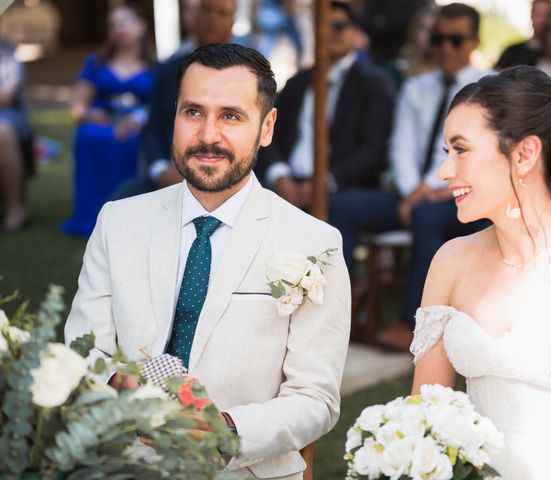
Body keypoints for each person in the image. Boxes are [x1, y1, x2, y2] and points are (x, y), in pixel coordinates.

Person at [64, 43, 351, 479]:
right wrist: (122, 393)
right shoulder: (117, 222)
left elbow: (316, 398)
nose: (208, 135)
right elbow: (83, 352)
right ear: (173, 116)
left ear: (267, 126)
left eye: (231, 116)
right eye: (192, 112)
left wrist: (228, 431)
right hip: (122, 463)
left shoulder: (315, 244)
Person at [411, 65, 551, 479]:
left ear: (524, 154)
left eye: (461, 150)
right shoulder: (451, 261)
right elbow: (427, 410)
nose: (445, 172)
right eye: (447, 152)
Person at [372, 3, 489, 351]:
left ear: (474, 41)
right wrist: (412, 190)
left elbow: (474, 150)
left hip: (466, 195)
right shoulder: (417, 86)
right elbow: (401, 145)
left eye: (456, 39)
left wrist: (426, 190)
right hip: (414, 194)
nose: (445, 48)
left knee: (425, 217)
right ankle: (344, 315)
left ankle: (412, 323)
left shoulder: (490, 86)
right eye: (439, 39)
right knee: (340, 208)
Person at [261, 0, 394, 208]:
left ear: (354, 32)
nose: (331, 32)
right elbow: (269, 131)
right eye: (324, 25)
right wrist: (280, 175)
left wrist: (326, 181)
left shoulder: (373, 83)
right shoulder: (299, 81)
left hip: (341, 190)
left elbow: (373, 150)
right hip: (286, 186)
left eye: (339, 26)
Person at [111, 0, 235, 201]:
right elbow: (153, 128)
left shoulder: (247, 75)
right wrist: (160, 170)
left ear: (232, 21)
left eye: (222, 13)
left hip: (227, 177)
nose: (213, 19)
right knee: (119, 201)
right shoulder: (171, 69)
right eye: (207, 10)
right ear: (196, 16)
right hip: (170, 175)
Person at [62, 3, 156, 236]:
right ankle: (90, 216)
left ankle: (128, 216)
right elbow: (77, 107)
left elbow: (162, 108)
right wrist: (89, 114)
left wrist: (140, 117)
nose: (118, 28)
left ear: (142, 24)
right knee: (87, 136)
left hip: (137, 128)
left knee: (135, 142)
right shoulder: (95, 62)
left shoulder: (157, 66)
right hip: (101, 125)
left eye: (125, 21)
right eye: (113, 25)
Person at [0, 40, 32, 233]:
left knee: (2, 131)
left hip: (7, 114)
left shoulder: (7, 52)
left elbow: (6, 96)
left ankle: (15, 210)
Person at [496, 0, 551, 70]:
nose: (543, 20)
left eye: (548, 15)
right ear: (531, 17)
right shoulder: (512, 52)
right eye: (539, 14)